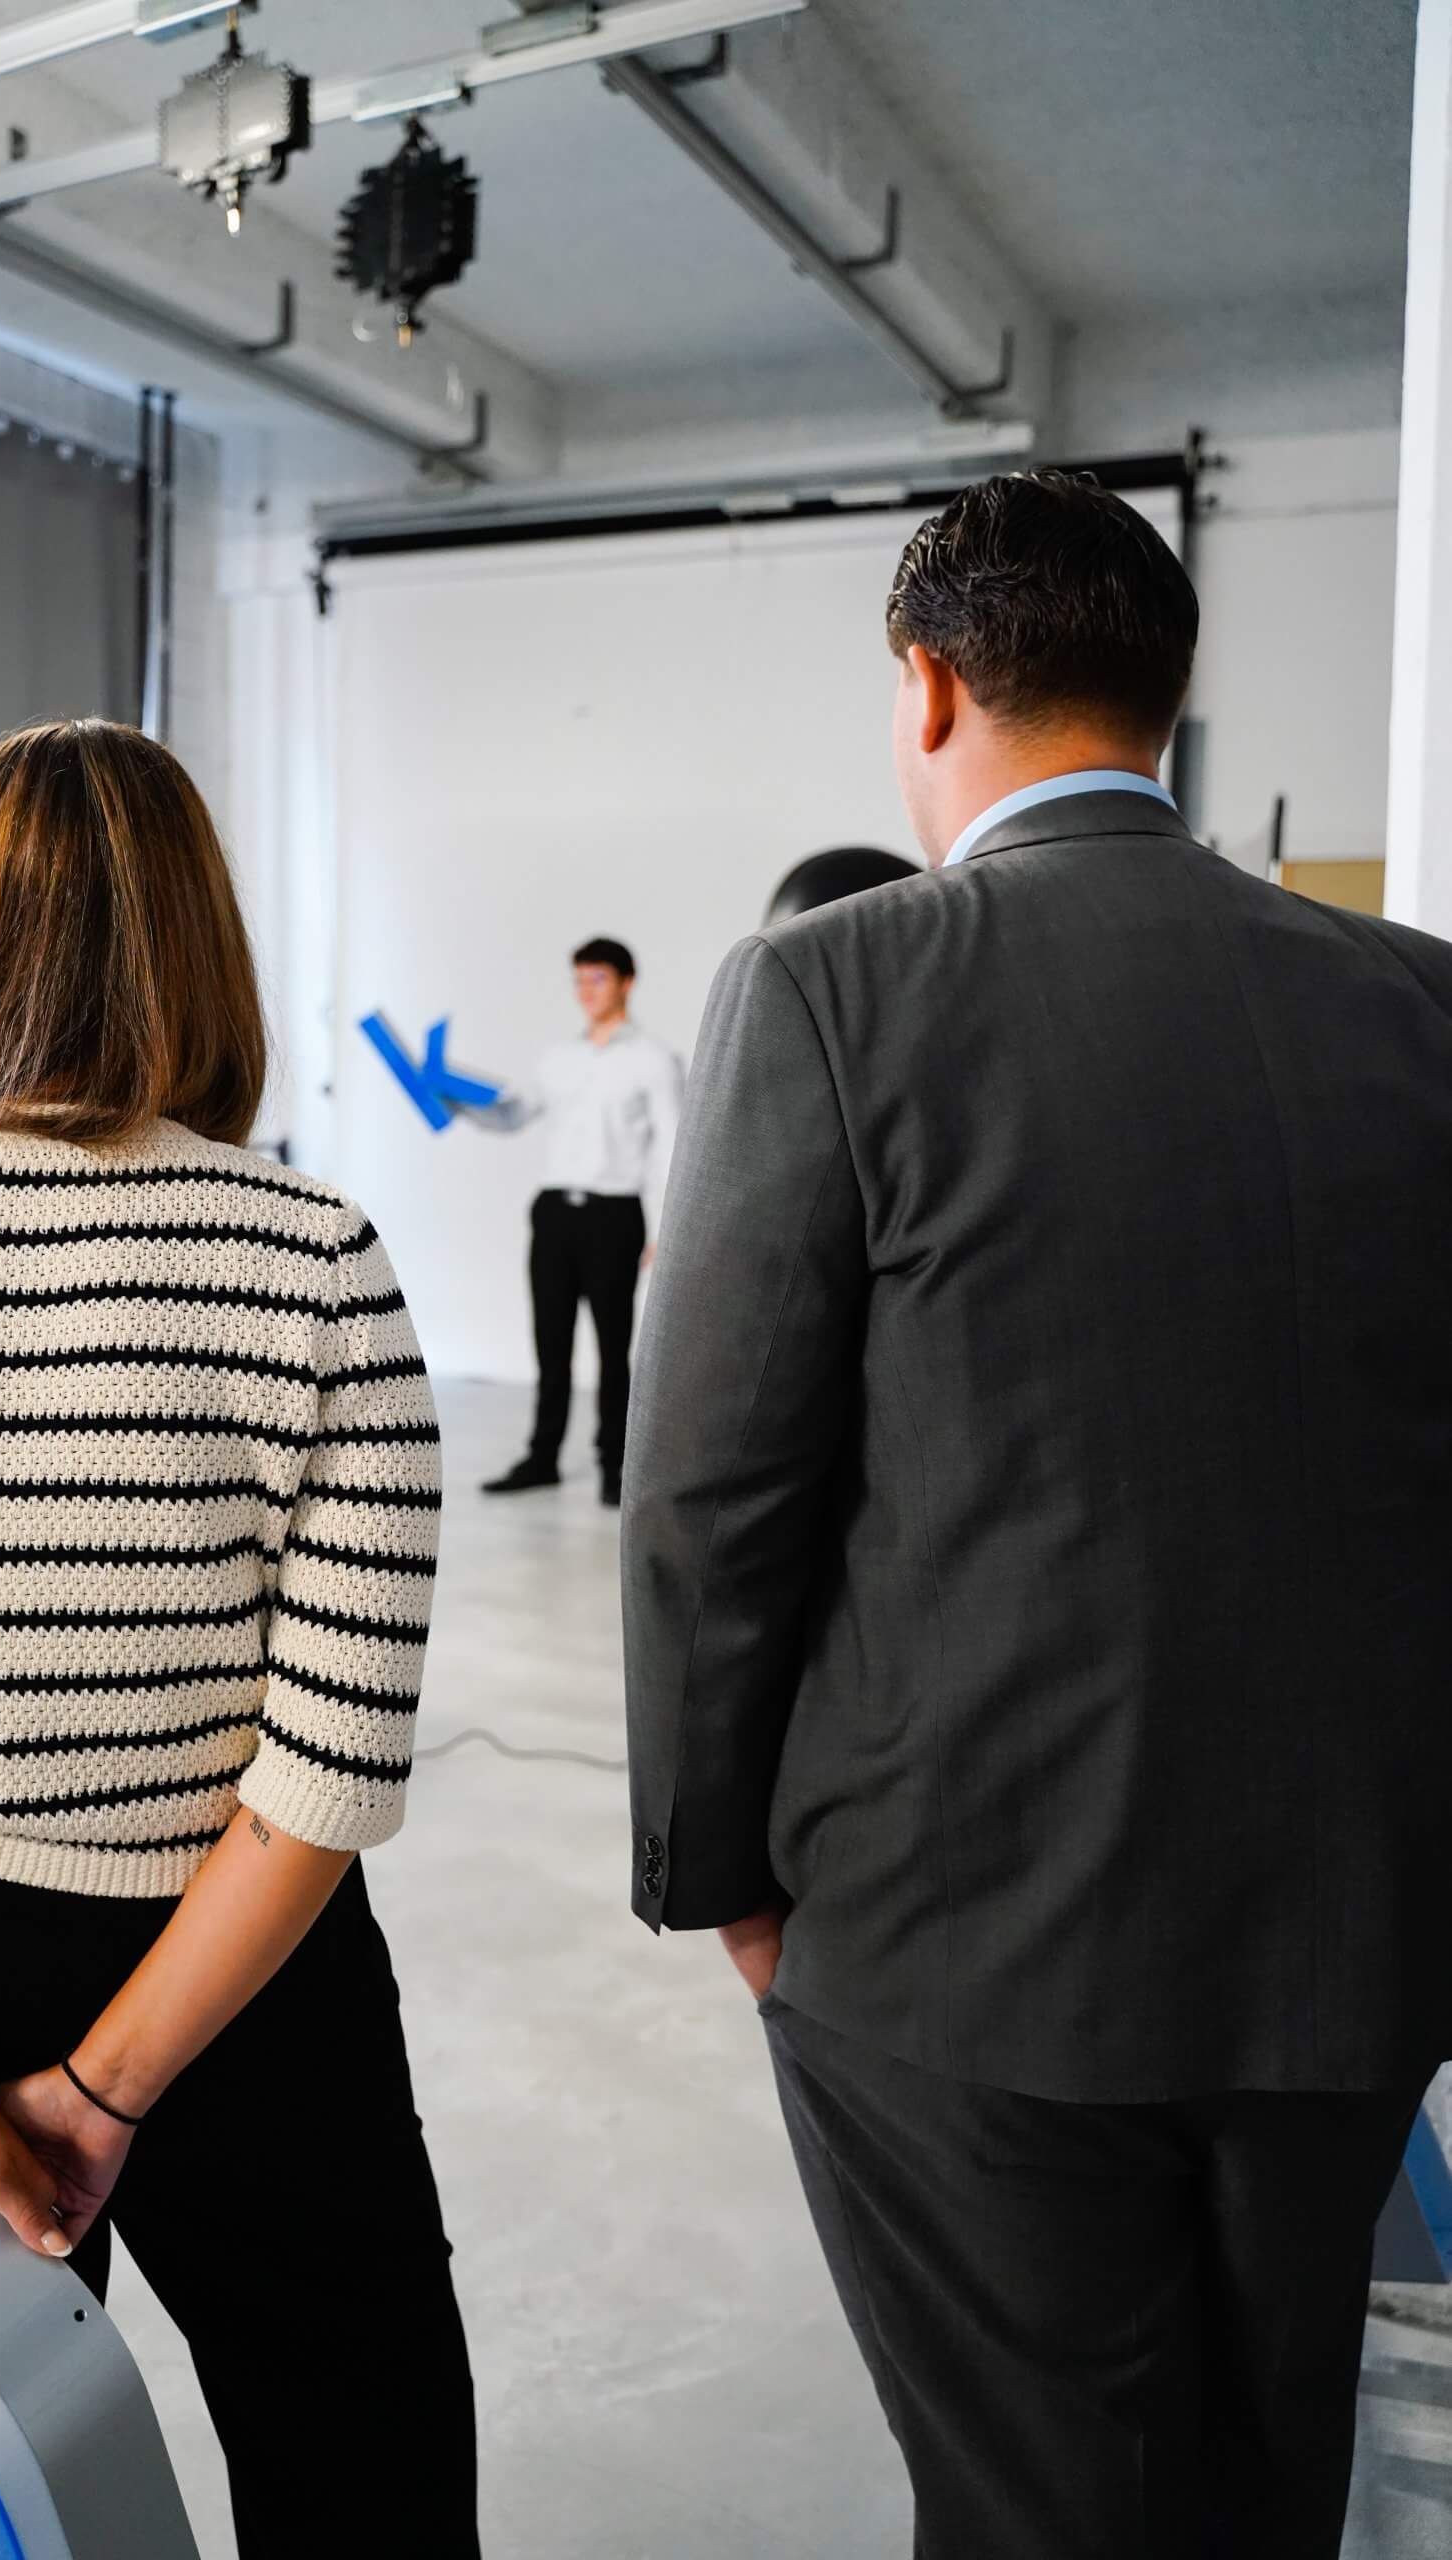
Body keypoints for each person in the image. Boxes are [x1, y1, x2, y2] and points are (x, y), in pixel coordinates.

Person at [622, 469, 1452, 2557]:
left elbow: (711, 1486)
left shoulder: (832, 988)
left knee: (1037, 2502)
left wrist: (716, 1869)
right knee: (1269, 2475)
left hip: (960, 1944)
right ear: (1168, 697)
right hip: (1347, 1941)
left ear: (923, 687)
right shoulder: (1421, 1002)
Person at [0, 721, 479, 2556]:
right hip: (242, 1975)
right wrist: (105, 2088)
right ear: (203, 948)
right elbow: (329, 1771)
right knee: (359, 2463)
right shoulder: (313, 1259)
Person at [477, 937, 682, 1508]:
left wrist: (667, 1229)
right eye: (579, 980)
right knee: (551, 1342)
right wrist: (457, 1098)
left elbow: (672, 1147)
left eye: (597, 980)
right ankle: (542, 1457)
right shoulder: (558, 1059)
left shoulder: (654, 1061)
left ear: (625, 983)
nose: (586, 992)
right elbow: (514, 1114)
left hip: (614, 1216)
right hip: (553, 1214)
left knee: (614, 1347)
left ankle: (615, 1467)